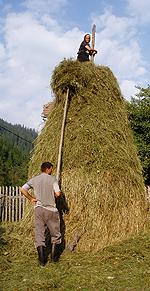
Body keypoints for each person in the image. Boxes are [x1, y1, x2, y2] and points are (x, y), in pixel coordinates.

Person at [20, 162, 62, 266]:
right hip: (50, 209)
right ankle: (54, 259)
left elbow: (23, 189)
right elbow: (58, 193)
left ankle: (42, 261)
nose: (52, 170)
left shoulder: (34, 179)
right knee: (55, 234)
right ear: (48, 169)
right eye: (51, 169)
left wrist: (31, 198)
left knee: (39, 234)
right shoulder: (52, 179)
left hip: (38, 209)